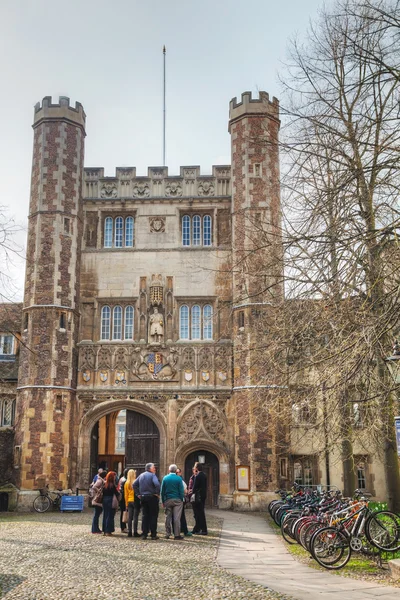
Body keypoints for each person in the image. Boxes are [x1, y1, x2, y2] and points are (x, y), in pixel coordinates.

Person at [133, 463, 160, 540]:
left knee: (145, 516)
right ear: (149, 468)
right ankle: (153, 534)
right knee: (153, 516)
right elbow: (157, 484)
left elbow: (134, 484)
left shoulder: (141, 475)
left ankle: (144, 534)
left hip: (143, 497)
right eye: (153, 467)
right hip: (152, 497)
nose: (155, 469)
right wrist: (157, 493)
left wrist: (138, 494)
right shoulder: (152, 475)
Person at [161, 464, 184, 540]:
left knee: (168, 517)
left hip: (168, 499)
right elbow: (181, 490)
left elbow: (162, 491)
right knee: (176, 518)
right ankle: (177, 535)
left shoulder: (165, 478)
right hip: (177, 499)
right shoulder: (178, 479)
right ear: (176, 470)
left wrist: (163, 501)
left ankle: (168, 533)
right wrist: (181, 498)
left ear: (169, 470)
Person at [102, 471, 120, 536]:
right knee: (110, 516)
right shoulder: (112, 485)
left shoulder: (104, 484)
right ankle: (108, 531)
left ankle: (104, 530)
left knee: (105, 515)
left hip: (104, 500)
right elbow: (116, 493)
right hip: (110, 500)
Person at [191, 463, 208, 535]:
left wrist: (191, 491)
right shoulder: (204, 475)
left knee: (199, 513)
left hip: (198, 497)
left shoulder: (198, 476)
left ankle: (203, 530)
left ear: (197, 468)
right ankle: (197, 529)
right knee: (200, 513)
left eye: (194, 467)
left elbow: (194, 488)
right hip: (203, 496)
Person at [124, 468, 141, 538]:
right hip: (135, 500)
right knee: (135, 517)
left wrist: (126, 504)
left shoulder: (126, 483)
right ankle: (135, 532)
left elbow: (126, 494)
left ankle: (129, 532)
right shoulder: (136, 482)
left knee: (130, 517)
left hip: (129, 501)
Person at [176, 468, 192, 537]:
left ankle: (172, 532)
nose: (179, 473)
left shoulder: (166, 478)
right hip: (179, 500)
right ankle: (184, 530)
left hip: (170, 499)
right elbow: (185, 491)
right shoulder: (180, 480)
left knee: (171, 516)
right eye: (178, 472)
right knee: (181, 515)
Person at [118, 468, 129, 533]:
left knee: (123, 513)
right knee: (124, 513)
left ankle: (123, 527)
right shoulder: (125, 480)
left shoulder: (121, 478)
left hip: (122, 498)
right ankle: (123, 527)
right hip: (124, 499)